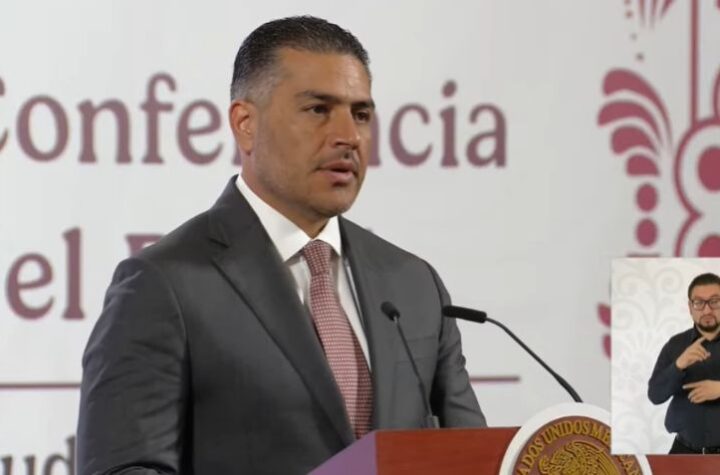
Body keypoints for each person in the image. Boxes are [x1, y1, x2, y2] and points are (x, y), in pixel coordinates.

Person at [76, 15, 486, 475]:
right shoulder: (165, 285)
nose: (348, 137)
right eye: (318, 110)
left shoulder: (413, 284)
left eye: (361, 114)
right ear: (245, 124)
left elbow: (474, 457)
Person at [648, 272, 720, 454]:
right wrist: (678, 364)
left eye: (714, 301)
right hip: (683, 449)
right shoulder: (675, 345)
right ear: (690, 307)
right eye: (699, 303)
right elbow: (655, 395)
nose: (707, 310)